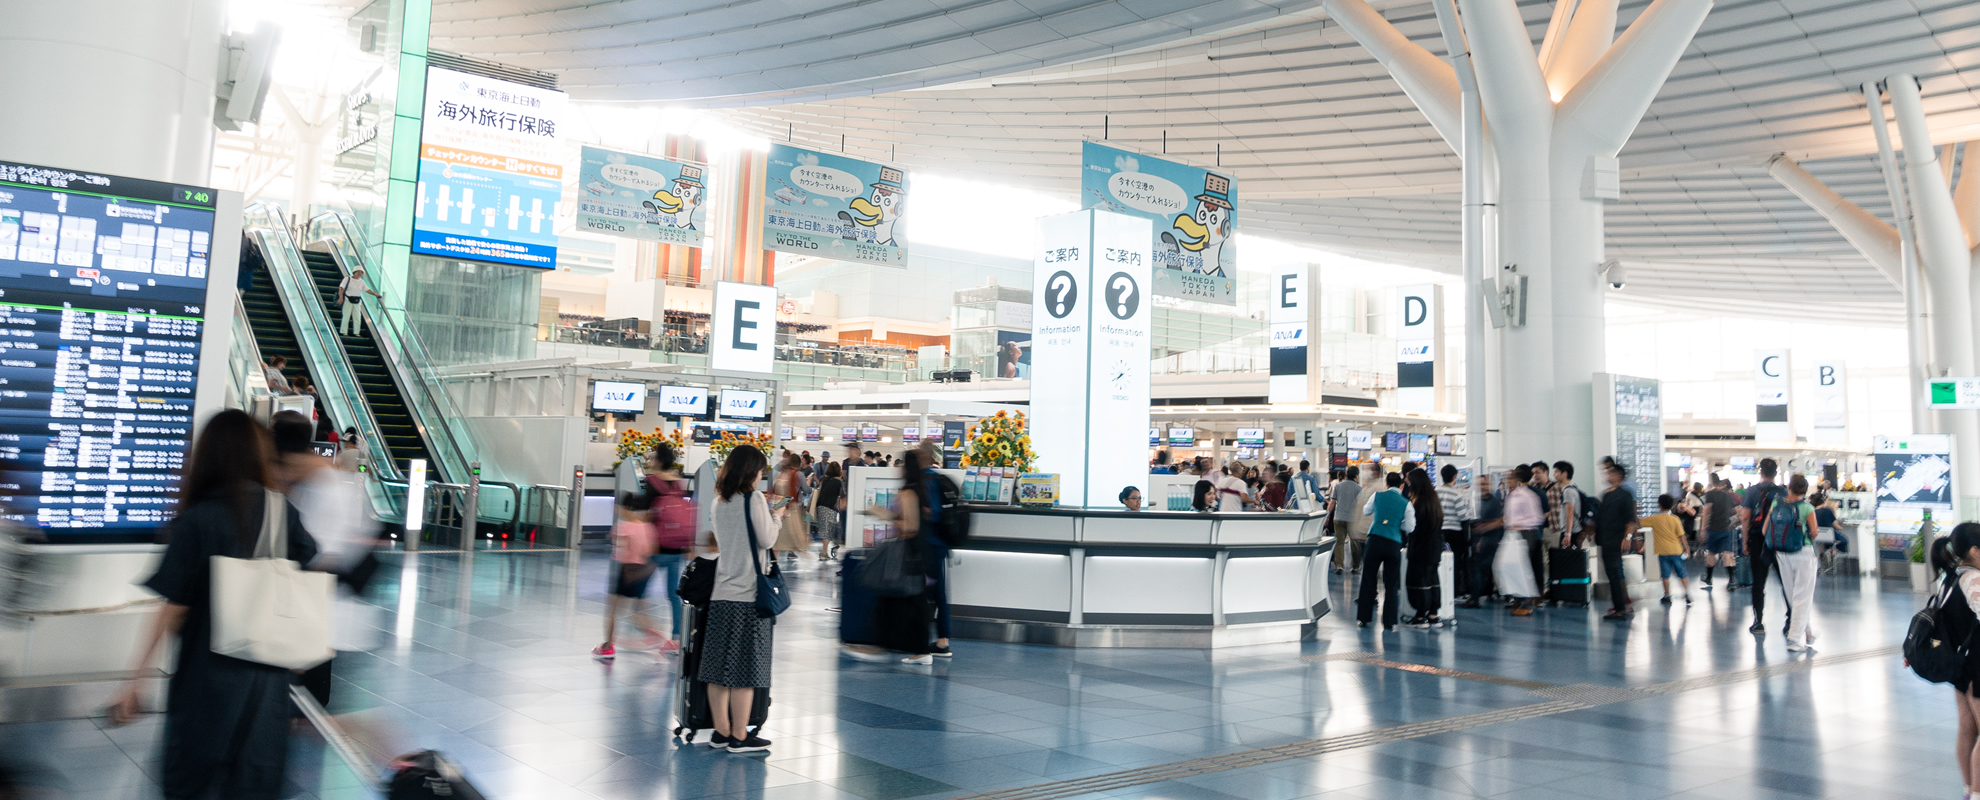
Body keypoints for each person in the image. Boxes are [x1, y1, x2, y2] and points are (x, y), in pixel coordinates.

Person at [109, 409, 321, 799]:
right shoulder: (282, 512)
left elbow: (174, 607)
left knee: (195, 784)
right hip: (267, 691)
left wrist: (135, 679)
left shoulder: (199, 519)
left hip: (206, 688)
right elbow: (307, 566)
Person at [269, 411, 378, 704]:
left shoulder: (325, 487)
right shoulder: (313, 483)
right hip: (311, 610)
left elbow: (323, 557)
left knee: (308, 703)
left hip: (317, 611)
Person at [698, 444, 777, 753]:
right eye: (760, 472)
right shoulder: (754, 499)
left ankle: (720, 731)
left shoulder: (719, 501)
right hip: (748, 596)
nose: (761, 478)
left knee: (717, 667)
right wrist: (778, 517)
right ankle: (740, 736)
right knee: (745, 669)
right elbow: (767, 539)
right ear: (751, 472)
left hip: (721, 594)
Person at [1927, 524, 1980, 795]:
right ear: (1973, 550)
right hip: (1976, 666)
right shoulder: (1972, 579)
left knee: (1967, 728)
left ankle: (1969, 788)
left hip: (1960, 664)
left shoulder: (1950, 577)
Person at [594, 457, 661, 661]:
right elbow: (652, 550)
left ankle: (607, 646)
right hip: (643, 571)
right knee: (638, 609)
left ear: (623, 508)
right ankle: (656, 634)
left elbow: (619, 550)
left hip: (625, 571)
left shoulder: (622, 527)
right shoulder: (648, 526)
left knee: (612, 610)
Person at [646, 443, 692, 650]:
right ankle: (677, 636)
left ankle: (647, 630)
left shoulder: (652, 482)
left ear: (657, 459)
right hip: (677, 547)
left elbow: (647, 514)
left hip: (656, 547)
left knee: (638, 592)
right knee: (674, 595)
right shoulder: (678, 483)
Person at [1357, 473, 1414, 630]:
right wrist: (1395, 525)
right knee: (1391, 583)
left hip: (1375, 540)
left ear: (1386, 484)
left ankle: (1363, 617)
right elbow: (1410, 527)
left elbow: (1366, 511)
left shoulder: (1377, 495)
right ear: (1401, 485)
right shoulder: (1406, 503)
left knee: (1369, 578)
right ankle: (1389, 621)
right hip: (1393, 543)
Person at [1774, 474, 1821, 651]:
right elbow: (1815, 533)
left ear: (1789, 487)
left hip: (1781, 553)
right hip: (1802, 552)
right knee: (1803, 596)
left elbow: (1768, 528)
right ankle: (1794, 639)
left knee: (1793, 596)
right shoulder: (1807, 508)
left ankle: (1808, 632)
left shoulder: (1776, 504)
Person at [1737, 458, 1784, 634]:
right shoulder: (1784, 491)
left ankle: (1758, 622)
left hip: (1758, 540)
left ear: (1761, 471)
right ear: (1776, 473)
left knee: (1758, 581)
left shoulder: (1752, 491)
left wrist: (1744, 542)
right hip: (1780, 540)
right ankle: (1790, 622)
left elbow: (1745, 518)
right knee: (1785, 581)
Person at [1594, 462, 1640, 621]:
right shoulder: (1606, 494)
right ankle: (1619, 606)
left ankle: (1620, 608)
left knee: (1615, 573)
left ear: (1619, 476)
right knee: (1612, 574)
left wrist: (1628, 537)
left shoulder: (1624, 494)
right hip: (1605, 541)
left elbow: (1631, 519)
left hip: (1615, 540)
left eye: (1611, 473)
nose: (1607, 476)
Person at [1496, 466, 1544, 616]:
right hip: (1512, 534)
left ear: (1517, 480)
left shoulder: (1528, 496)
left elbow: (1537, 518)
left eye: (1510, 479)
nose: (1508, 481)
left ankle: (1526, 602)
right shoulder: (1512, 495)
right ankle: (1517, 597)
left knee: (1521, 567)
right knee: (1505, 565)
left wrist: (1519, 524)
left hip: (1525, 534)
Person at [1403, 468, 1445, 628]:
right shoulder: (1434, 500)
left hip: (1420, 549)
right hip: (1435, 548)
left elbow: (1412, 527)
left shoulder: (1418, 502)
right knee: (1433, 580)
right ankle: (1433, 615)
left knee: (1418, 582)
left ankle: (1420, 616)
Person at [1644, 494, 1690, 607]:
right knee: (1682, 572)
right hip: (1676, 550)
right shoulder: (1675, 519)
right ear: (1672, 505)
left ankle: (1667, 595)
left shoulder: (1654, 519)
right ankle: (1687, 593)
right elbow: (1681, 535)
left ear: (1659, 505)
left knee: (1665, 575)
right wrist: (1686, 548)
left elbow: (1639, 522)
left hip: (1663, 552)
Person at [769, 451, 812, 568]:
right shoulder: (798, 474)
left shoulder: (780, 474)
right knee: (792, 536)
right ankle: (798, 552)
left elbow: (773, 491)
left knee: (777, 539)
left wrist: (776, 508)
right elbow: (805, 490)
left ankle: (773, 565)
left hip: (778, 506)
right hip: (790, 509)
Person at [1437, 464, 1470, 601]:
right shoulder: (1457, 494)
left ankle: (1441, 591)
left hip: (1439, 531)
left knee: (1440, 561)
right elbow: (1463, 516)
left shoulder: (1435, 492)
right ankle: (1455, 593)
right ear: (1455, 477)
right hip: (1455, 533)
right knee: (1455, 563)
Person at [1700, 476, 1739, 587]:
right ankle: (1731, 580)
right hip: (1726, 528)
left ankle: (1708, 578)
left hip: (1713, 528)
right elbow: (1734, 511)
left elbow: (1707, 511)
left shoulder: (1710, 495)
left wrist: (1703, 529)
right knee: (1727, 553)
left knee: (1712, 553)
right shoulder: (1728, 497)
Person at [1329, 466, 1364, 573]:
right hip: (1353, 519)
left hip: (1338, 517)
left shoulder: (1338, 486)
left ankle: (1339, 565)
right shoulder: (1359, 488)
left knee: (1339, 542)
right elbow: (1361, 504)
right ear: (1356, 476)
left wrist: (1327, 515)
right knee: (1355, 542)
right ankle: (1355, 566)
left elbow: (1332, 502)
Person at [813, 462, 846, 560]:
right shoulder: (839, 482)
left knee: (824, 530)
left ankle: (824, 552)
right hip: (830, 507)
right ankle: (823, 553)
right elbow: (842, 495)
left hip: (820, 506)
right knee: (828, 531)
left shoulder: (824, 480)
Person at [336, 267, 383, 336]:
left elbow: (367, 289)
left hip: (357, 300)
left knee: (357, 317)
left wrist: (375, 294)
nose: (360, 274)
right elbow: (341, 288)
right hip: (347, 299)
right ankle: (344, 331)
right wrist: (341, 298)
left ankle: (356, 332)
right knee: (346, 316)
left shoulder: (361, 282)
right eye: (358, 272)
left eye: (361, 273)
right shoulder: (347, 279)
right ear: (354, 272)